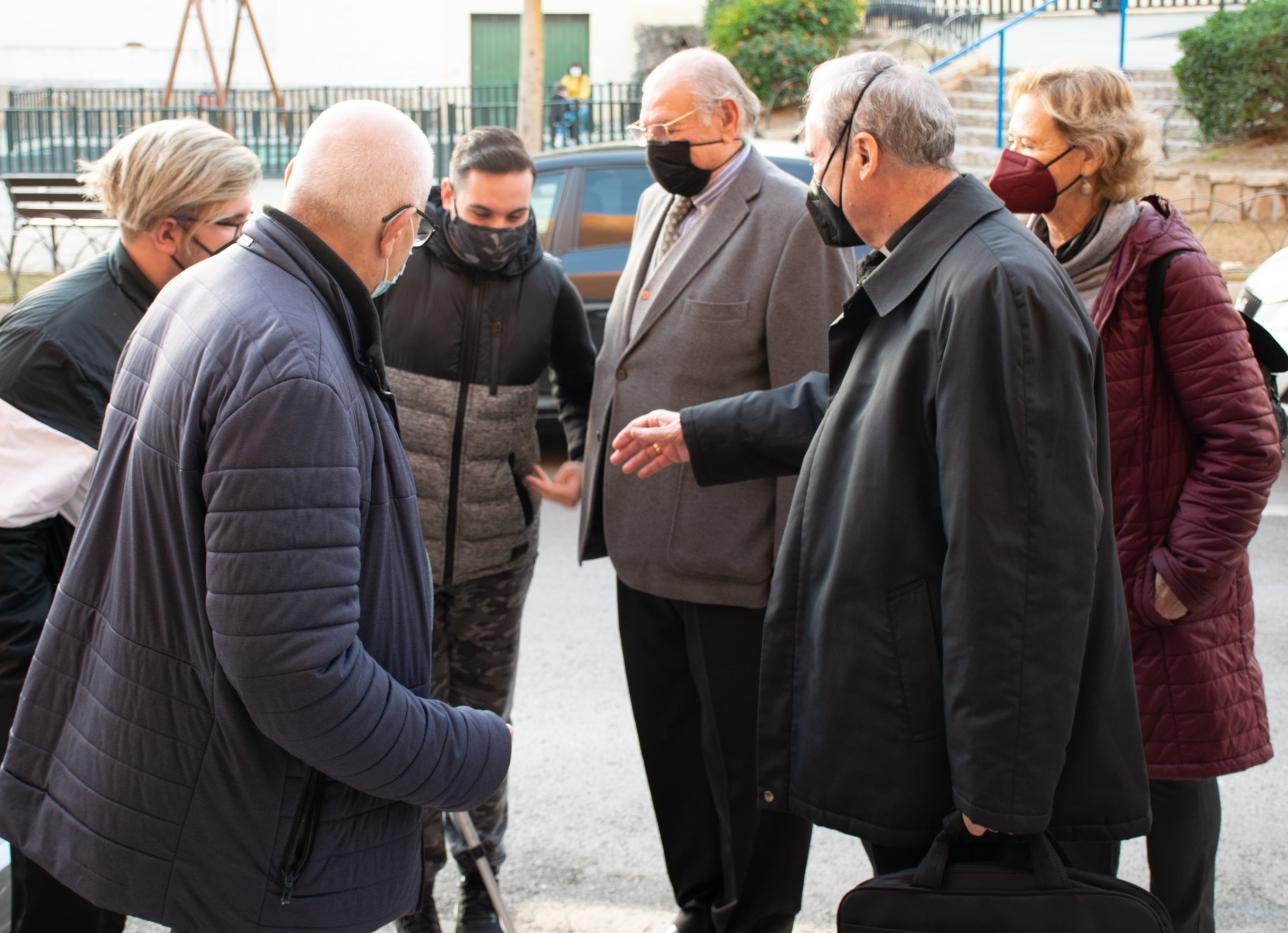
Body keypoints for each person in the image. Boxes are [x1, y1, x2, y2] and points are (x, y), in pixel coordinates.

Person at [610, 51, 1153, 882]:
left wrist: (996, 788)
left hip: (969, 785)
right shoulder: (944, 265)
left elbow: (1020, 559)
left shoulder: (992, 286)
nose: (811, 178)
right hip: (926, 739)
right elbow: (857, 405)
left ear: (863, 153)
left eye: (815, 150)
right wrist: (699, 430)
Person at [0, 101, 514, 932]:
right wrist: (468, 750)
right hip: (259, 832)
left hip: (215, 798)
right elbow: (296, 673)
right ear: (399, 228)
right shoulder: (294, 364)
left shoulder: (208, 284)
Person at [0, 117, 261, 933]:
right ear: (166, 230)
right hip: (73, 704)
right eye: (231, 225)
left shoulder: (187, 300)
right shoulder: (52, 341)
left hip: (148, 682)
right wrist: (65, 696)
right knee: (70, 910)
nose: (248, 242)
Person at [990, 65, 1281, 932]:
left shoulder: (1169, 269)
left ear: (1091, 156)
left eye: (1029, 145)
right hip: (1060, 609)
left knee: (1174, 865)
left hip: (1156, 616)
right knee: (1077, 860)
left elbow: (1246, 439)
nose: (1011, 161)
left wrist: (1174, 578)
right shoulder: (1024, 258)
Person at [576, 48, 852, 933]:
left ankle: (755, 912)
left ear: (726, 121)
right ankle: (699, 899)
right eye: (645, 127)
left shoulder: (794, 221)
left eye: (665, 128)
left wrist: (793, 564)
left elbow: (817, 403)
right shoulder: (663, 202)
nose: (652, 144)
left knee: (748, 764)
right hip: (644, 545)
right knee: (673, 750)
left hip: (740, 559)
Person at [380, 125, 595, 933]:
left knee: (481, 730)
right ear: (446, 196)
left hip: (496, 559)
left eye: (515, 216)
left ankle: (481, 886)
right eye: (483, 212)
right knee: (403, 728)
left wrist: (578, 460)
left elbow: (582, 389)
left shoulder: (548, 287)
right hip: (395, 555)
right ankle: (411, 896)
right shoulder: (394, 274)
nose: (501, 232)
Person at [559, 61, 591, 142]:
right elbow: (563, 89)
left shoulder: (584, 78)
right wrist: (568, 98)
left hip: (581, 103)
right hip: (568, 103)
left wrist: (580, 98)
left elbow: (585, 91)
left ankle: (582, 132)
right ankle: (567, 136)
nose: (575, 70)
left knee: (582, 114)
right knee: (567, 117)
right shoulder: (566, 78)